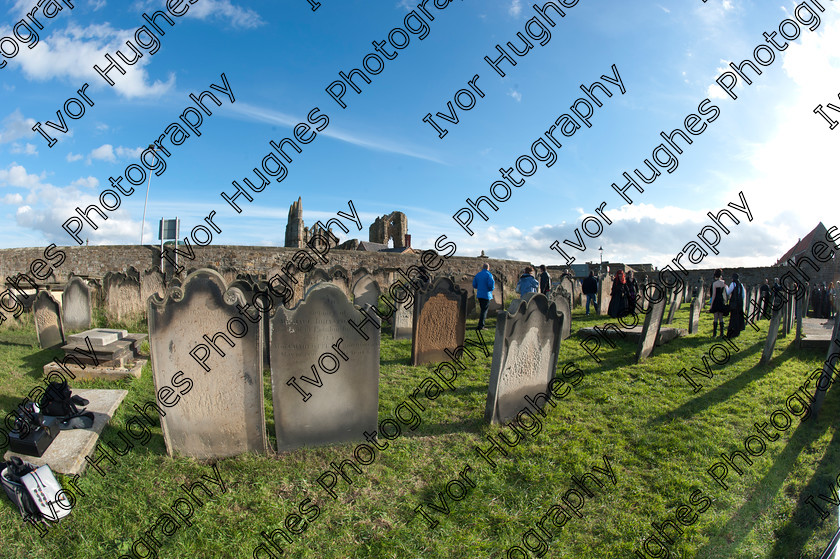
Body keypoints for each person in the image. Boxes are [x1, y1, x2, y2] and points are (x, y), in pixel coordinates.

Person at [472, 263, 495, 331]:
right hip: (486, 295)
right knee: (484, 311)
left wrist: (479, 287)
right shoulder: (489, 275)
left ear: (483, 267)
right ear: (488, 268)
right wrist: (491, 289)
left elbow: (474, 285)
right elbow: (491, 285)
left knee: (482, 309)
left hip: (479, 294)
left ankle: (480, 324)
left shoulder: (478, 275)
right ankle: (481, 326)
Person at [726, 273, 746, 338]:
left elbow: (728, 292)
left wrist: (726, 287)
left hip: (734, 304)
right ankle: (737, 332)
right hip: (739, 304)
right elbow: (743, 295)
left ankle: (731, 333)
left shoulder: (733, 284)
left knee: (733, 318)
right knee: (738, 318)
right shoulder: (741, 285)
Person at [709, 269, 728, 338]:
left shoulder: (714, 284)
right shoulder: (723, 283)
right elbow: (725, 293)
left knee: (715, 317)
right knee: (721, 318)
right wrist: (725, 301)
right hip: (721, 300)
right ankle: (722, 333)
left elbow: (713, 295)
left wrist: (711, 305)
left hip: (716, 301)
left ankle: (714, 334)